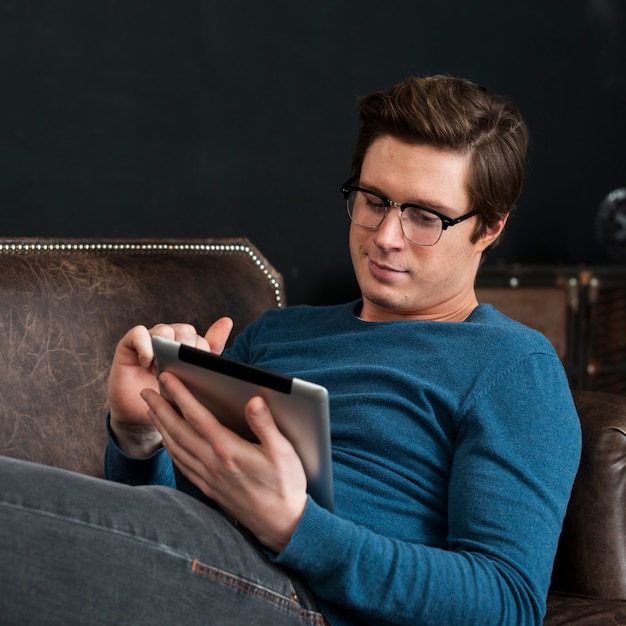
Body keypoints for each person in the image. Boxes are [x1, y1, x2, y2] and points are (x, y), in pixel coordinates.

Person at [0, 75, 581, 625]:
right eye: (373, 200)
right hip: (207, 564)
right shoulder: (277, 332)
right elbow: (150, 534)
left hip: (309, 602)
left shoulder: (512, 367)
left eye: (425, 217)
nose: (385, 235)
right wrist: (137, 436)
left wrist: (296, 527)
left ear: (491, 228)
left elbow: (507, 602)